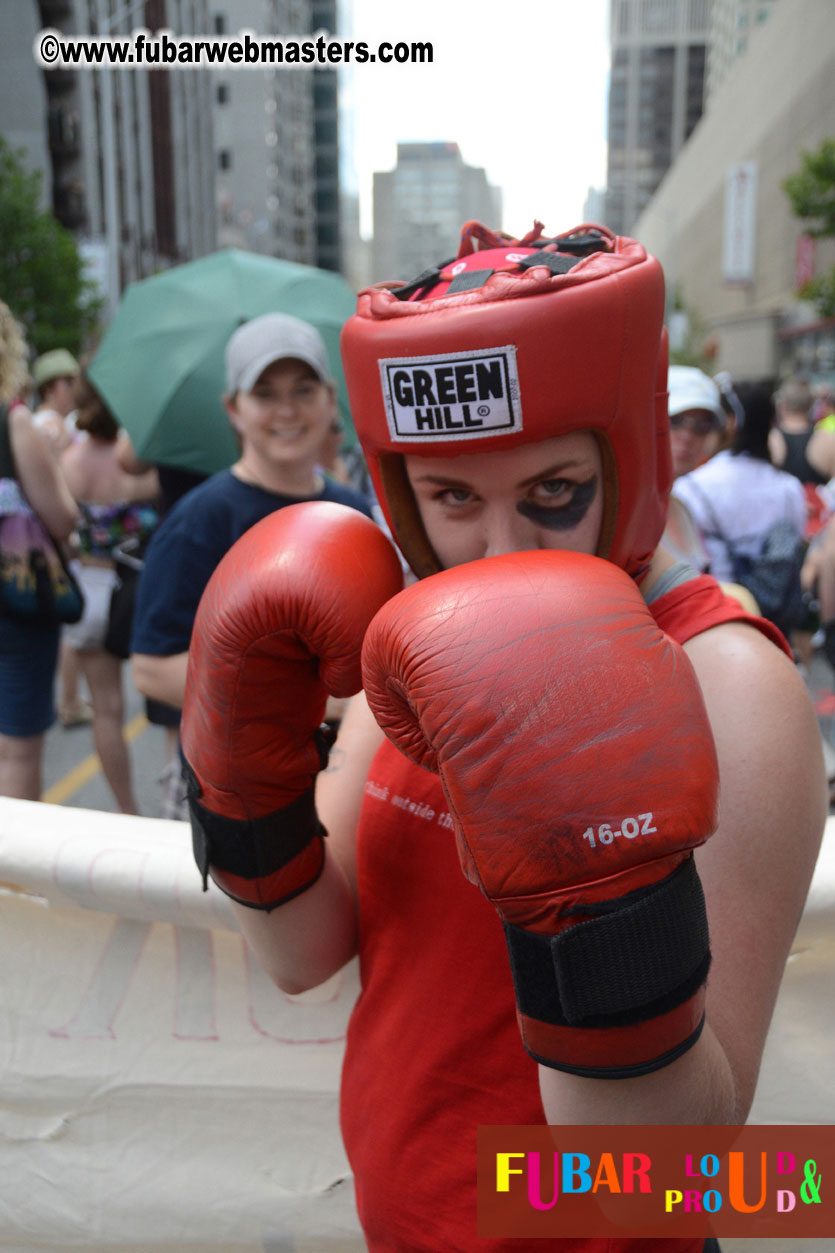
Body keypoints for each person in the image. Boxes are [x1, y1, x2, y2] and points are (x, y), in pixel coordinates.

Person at [180, 223, 826, 1253]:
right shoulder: (410, 643)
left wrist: (597, 881)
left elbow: (678, 1175)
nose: (500, 548)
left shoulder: (727, 678)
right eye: (450, 497)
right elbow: (299, 953)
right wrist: (237, 764)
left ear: (633, 454)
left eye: (552, 493)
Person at [131, 311, 373, 717]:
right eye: (264, 394)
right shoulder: (201, 518)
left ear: (330, 400)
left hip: (347, 771)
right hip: (237, 776)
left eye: (304, 390)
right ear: (233, 409)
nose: (287, 411)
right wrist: (312, 705)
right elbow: (153, 669)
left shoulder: (351, 510)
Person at [58, 374, 159, 814]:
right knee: (170, 696)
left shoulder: (68, 462)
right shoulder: (138, 461)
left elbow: (62, 529)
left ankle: (128, 811)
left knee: (106, 709)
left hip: (90, 587)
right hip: (141, 587)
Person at [0, 303, 79, 800]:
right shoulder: (14, 420)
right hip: (16, 602)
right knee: (18, 750)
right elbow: (63, 518)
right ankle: (11, 875)